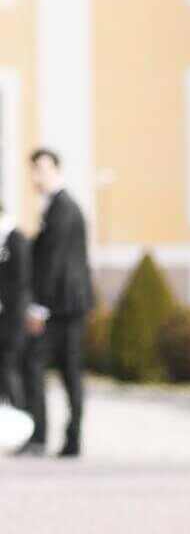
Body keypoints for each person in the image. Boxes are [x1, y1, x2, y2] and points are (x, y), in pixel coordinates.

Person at [16, 150, 93, 458]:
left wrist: (38, 307)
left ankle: (50, 438)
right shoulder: (55, 207)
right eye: (34, 170)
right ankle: (55, 438)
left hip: (64, 308)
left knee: (48, 368)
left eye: (42, 169)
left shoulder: (63, 208)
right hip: (64, 306)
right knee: (63, 371)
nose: (36, 176)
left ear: (56, 170)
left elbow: (53, 263)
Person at [0, 200, 30, 408]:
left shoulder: (16, 239)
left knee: (9, 369)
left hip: (12, 320)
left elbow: (21, 281)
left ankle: (20, 415)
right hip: (5, 319)